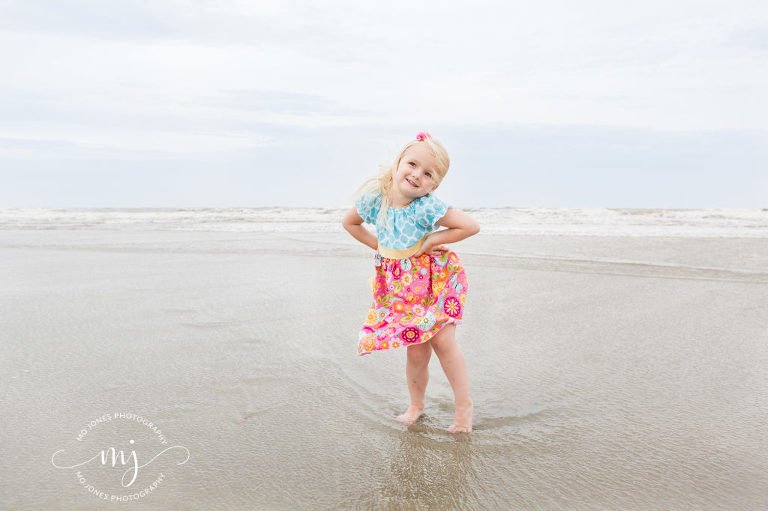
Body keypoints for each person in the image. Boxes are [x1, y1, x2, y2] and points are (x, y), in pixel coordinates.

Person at [341, 131, 480, 433]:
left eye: (428, 173)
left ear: (435, 184)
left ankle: (463, 407)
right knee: (415, 349)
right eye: (413, 164)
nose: (417, 175)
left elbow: (470, 226)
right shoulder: (375, 199)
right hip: (400, 287)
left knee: (443, 342)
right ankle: (416, 405)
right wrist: (380, 248)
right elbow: (349, 223)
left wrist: (432, 241)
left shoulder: (426, 207)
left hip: (434, 281)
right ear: (399, 162)